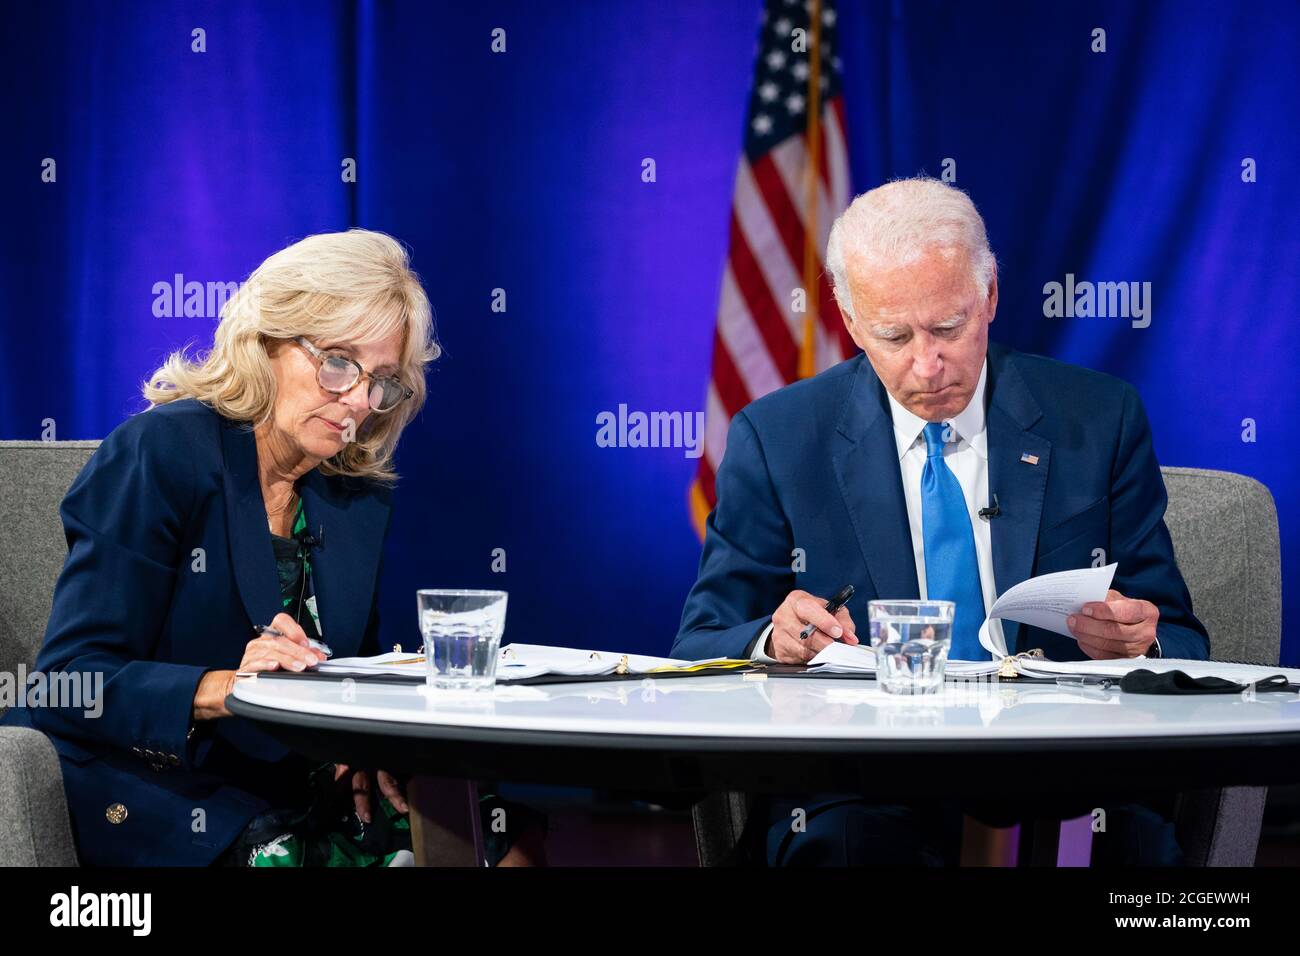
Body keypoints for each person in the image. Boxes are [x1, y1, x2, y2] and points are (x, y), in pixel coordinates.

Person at [673, 178, 1208, 866]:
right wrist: (774, 643)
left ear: (989, 296)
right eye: (894, 335)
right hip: (865, 784)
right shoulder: (779, 439)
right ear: (851, 319)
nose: (927, 365)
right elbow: (698, 646)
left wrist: (1144, 639)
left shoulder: (1098, 420)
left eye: (949, 328)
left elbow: (1187, 642)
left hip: (1066, 772)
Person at [2, 228, 545, 866]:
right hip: (166, 783)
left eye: (382, 382)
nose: (357, 403)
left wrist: (364, 750)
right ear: (267, 342)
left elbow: (349, 664)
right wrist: (230, 685)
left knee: (497, 834)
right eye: (338, 362)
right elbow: (69, 681)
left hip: (298, 783)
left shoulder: (352, 495)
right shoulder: (164, 454)